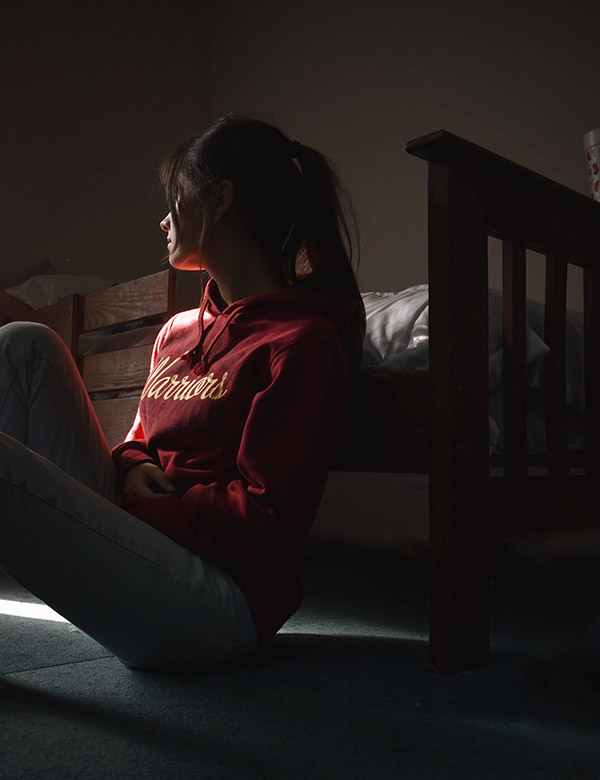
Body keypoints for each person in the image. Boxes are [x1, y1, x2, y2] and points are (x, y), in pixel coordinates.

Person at [0, 114, 366, 669]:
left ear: (220, 200)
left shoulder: (301, 341)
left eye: (176, 199)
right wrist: (127, 466)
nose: (164, 219)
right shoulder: (177, 332)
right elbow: (138, 441)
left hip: (217, 601)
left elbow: (269, 517)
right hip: (144, 542)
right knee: (24, 345)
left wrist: (135, 510)